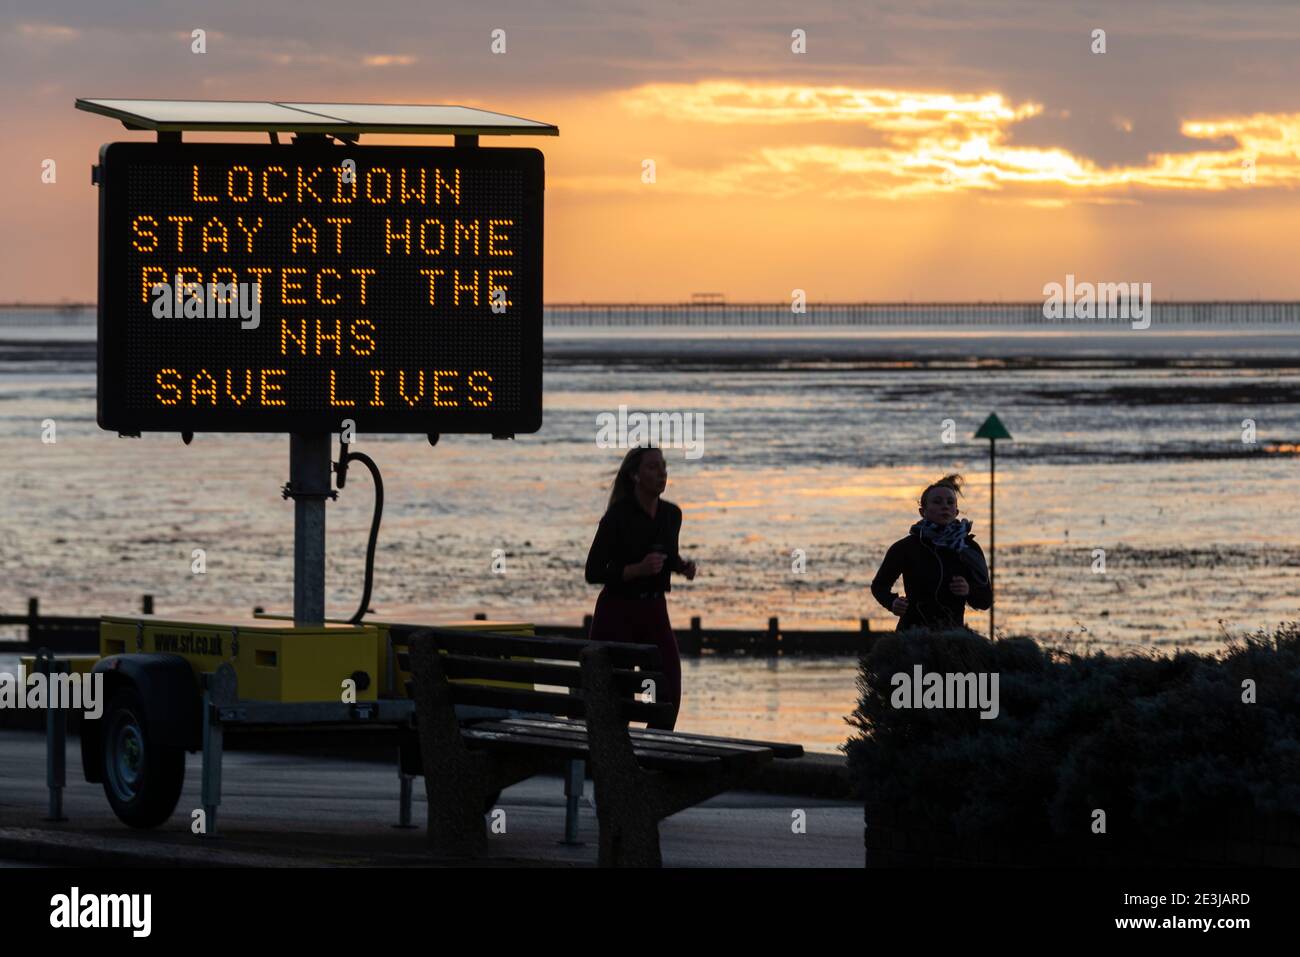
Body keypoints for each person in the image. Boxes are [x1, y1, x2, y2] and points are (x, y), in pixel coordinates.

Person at [584, 446, 696, 729]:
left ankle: (651, 756)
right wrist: (635, 570)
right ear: (635, 475)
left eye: (664, 467)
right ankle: (615, 762)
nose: (662, 473)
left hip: (655, 609)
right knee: (616, 697)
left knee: (667, 692)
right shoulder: (617, 517)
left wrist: (681, 566)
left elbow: (666, 554)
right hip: (617, 611)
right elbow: (593, 571)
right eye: (653, 467)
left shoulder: (672, 514)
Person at [870, 473, 992, 632]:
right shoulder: (906, 547)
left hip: (954, 637)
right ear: (923, 511)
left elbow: (985, 601)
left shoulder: (969, 548)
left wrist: (968, 590)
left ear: (956, 511)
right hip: (912, 636)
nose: (945, 506)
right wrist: (892, 603)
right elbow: (879, 586)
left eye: (950, 502)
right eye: (937, 502)